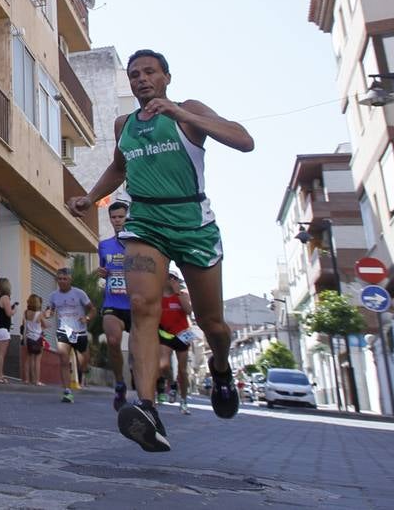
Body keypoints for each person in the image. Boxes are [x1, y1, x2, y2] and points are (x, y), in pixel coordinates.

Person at [66, 48, 254, 452]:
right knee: (141, 304)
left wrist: (183, 115)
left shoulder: (188, 111)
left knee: (212, 321)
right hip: (145, 223)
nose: (141, 80)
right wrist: (90, 197)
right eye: (134, 74)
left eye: (150, 72)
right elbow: (120, 166)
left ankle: (221, 367)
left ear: (166, 77)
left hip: (193, 223)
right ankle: (147, 406)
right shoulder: (125, 125)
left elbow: (244, 140)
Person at [97, 195, 133, 410]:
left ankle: (146, 391)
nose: (117, 220)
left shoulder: (138, 244)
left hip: (136, 305)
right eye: (114, 218)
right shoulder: (104, 245)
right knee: (112, 341)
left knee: (137, 352)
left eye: (121, 217)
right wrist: (102, 273)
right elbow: (104, 271)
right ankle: (120, 382)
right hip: (113, 302)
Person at [45, 268, 92, 403]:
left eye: (64, 279)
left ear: (70, 280)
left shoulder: (79, 293)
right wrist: (48, 313)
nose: (62, 281)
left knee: (83, 363)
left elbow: (92, 309)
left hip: (80, 332)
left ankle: (84, 368)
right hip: (63, 331)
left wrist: (87, 318)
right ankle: (67, 391)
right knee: (64, 360)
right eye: (59, 279)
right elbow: (50, 309)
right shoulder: (53, 295)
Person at [157, 270, 195, 416]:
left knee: (182, 371)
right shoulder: (158, 296)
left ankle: (184, 401)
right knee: (164, 365)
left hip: (182, 334)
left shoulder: (182, 295)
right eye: (169, 277)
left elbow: (188, 311)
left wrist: (178, 292)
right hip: (165, 334)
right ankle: (171, 383)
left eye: (175, 278)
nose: (172, 280)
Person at [21, 294, 46, 385]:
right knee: (37, 361)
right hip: (37, 338)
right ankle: (36, 380)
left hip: (28, 338)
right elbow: (45, 325)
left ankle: (27, 379)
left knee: (28, 359)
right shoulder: (40, 314)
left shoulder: (25, 312)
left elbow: (24, 325)